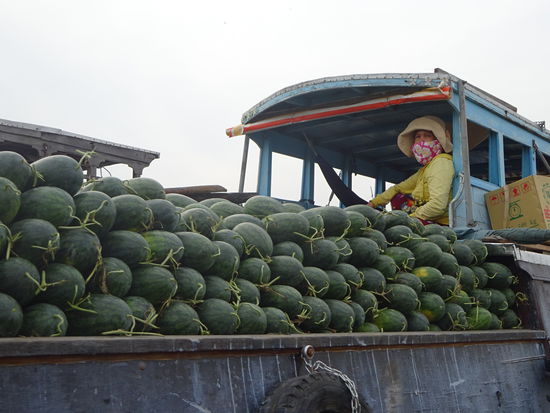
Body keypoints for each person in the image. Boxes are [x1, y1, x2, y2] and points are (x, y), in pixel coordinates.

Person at [367, 115, 454, 225]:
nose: (421, 139)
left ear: (438, 141)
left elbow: (437, 205)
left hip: (440, 225)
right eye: (418, 136)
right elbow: (398, 188)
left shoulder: (441, 164)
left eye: (427, 136)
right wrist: (373, 203)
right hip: (424, 219)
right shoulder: (425, 169)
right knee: (398, 196)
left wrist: (408, 220)